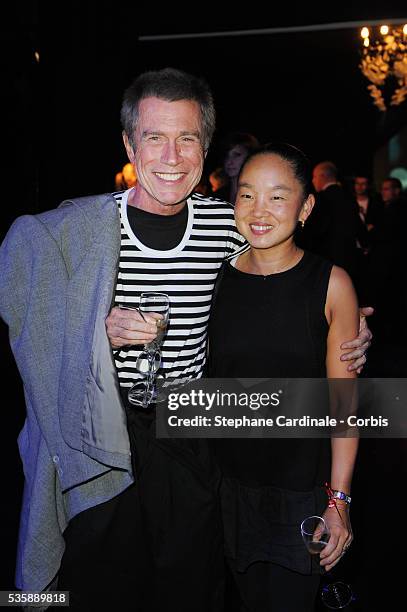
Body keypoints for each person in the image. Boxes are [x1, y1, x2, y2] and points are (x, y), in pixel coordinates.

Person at [0, 68, 371, 611]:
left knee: (191, 586)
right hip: (104, 434)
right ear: (129, 143)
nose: (171, 157)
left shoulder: (231, 224)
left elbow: (288, 277)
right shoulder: (77, 235)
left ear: (205, 149)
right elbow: (24, 295)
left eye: (187, 139)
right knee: (101, 584)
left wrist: (351, 326)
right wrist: (89, 329)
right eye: (155, 138)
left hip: (193, 432)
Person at [208, 143, 359, 612]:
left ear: (306, 206)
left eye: (277, 196)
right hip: (226, 489)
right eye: (247, 195)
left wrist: (339, 500)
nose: (258, 211)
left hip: (301, 491)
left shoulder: (332, 284)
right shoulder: (215, 279)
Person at [214, 132, 260, 204]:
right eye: (227, 156)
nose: (229, 161)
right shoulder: (217, 196)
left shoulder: (258, 195)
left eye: (237, 155)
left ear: (250, 157)